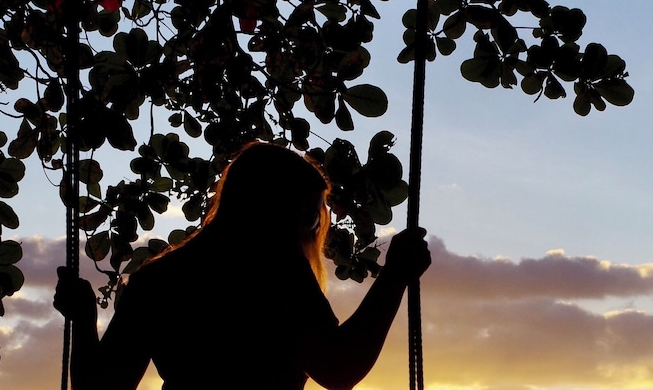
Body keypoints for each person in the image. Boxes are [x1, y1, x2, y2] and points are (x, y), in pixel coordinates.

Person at [54, 141, 431, 390]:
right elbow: (338, 367)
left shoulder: (158, 279)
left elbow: (101, 388)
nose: (314, 229)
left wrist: (85, 320)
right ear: (279, 211)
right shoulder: (276, 273)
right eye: (310, 218)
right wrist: (395, 276)